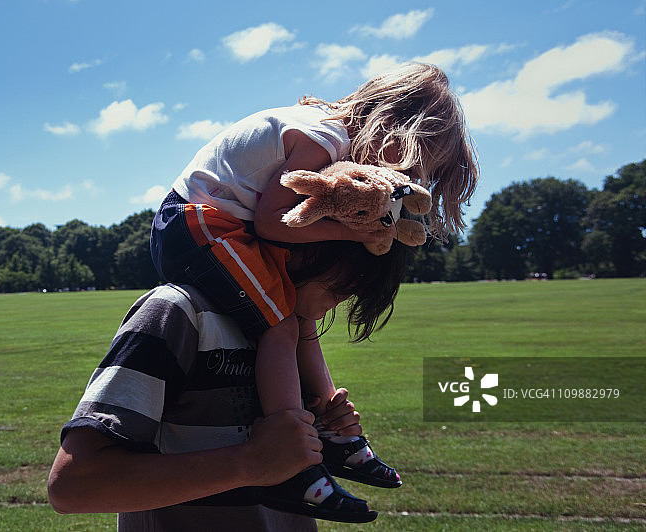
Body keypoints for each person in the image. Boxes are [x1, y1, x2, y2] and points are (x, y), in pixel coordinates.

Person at [149, 62, 478, 514]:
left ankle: (337, 434)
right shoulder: (323, 137)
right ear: (391, 124)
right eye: (408, 160)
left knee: (298, 320)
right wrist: (357, 232)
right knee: (282, 325)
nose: (403, 175)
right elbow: (274, 222)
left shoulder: (331, 141)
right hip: (195, 224)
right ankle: (292, 465)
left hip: (225, 226)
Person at [48, 239, 409, 530]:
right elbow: (72, 485)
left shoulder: (288, 328)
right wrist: (249, 462)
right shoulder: (179, 311)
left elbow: (279, 453)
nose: (359, 281)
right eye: (354, 248)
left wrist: (321, 433)